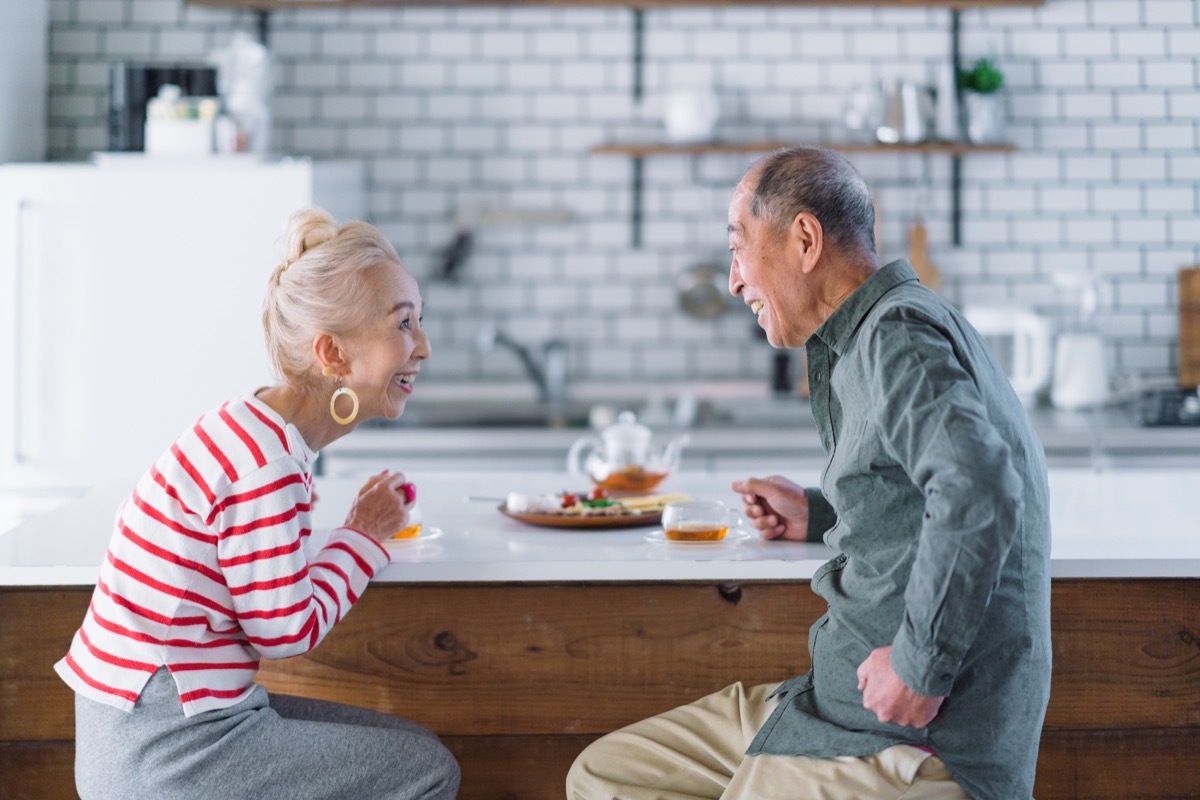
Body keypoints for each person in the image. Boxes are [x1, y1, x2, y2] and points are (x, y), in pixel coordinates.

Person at [566, 146, 1051, 800]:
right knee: (605, 776)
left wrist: (919, 666)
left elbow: (980, 488)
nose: (734, 281)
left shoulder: (896, 334)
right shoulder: (871, 335)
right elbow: (923, 493)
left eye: (738, 250)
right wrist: (819, 514)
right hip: (830, 708)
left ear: (803, 239)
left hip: (904, 742)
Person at [55, 208, 459, 800]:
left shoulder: (254, 430)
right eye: (403, 324)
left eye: (419, 321)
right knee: (428, 769)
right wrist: (364, 536)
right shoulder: (265, 462)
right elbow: (286, 630)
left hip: (159, 728)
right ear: (333, 354)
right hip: (168, 750)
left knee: (411, 748)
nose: (423, 346)